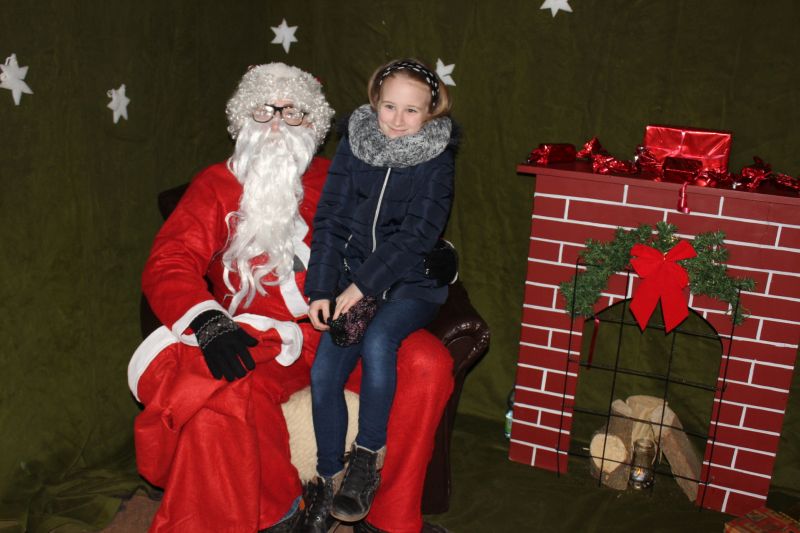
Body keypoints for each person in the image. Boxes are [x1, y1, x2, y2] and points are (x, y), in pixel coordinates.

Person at [128, 62, 454, 533]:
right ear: (243, 118)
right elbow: (169, 262)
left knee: (427, 363)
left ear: (314, 124)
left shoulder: (342, 173)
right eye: (265, 110)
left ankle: (388, 518)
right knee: (223, 396)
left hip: (346, 322)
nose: (278, 123)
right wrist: (208, 321)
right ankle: (279, 514)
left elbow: (400, 224)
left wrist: (436, 256)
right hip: (264, 338)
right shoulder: (215, 186)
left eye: (294, 112)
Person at [304, 59, 457, 531]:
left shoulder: (437, 158)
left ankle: (367, 460)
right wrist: (321, 287)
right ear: (375, 101)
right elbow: (330, 220)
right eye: (389, 106)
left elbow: (416, 235)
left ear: (431, 111)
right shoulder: (355, 145)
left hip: (411, 282)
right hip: (353, 279)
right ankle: (327, 480)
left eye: (412, 110)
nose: (397, 119)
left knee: (378, 342)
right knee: (324, 372)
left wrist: (361, 286)